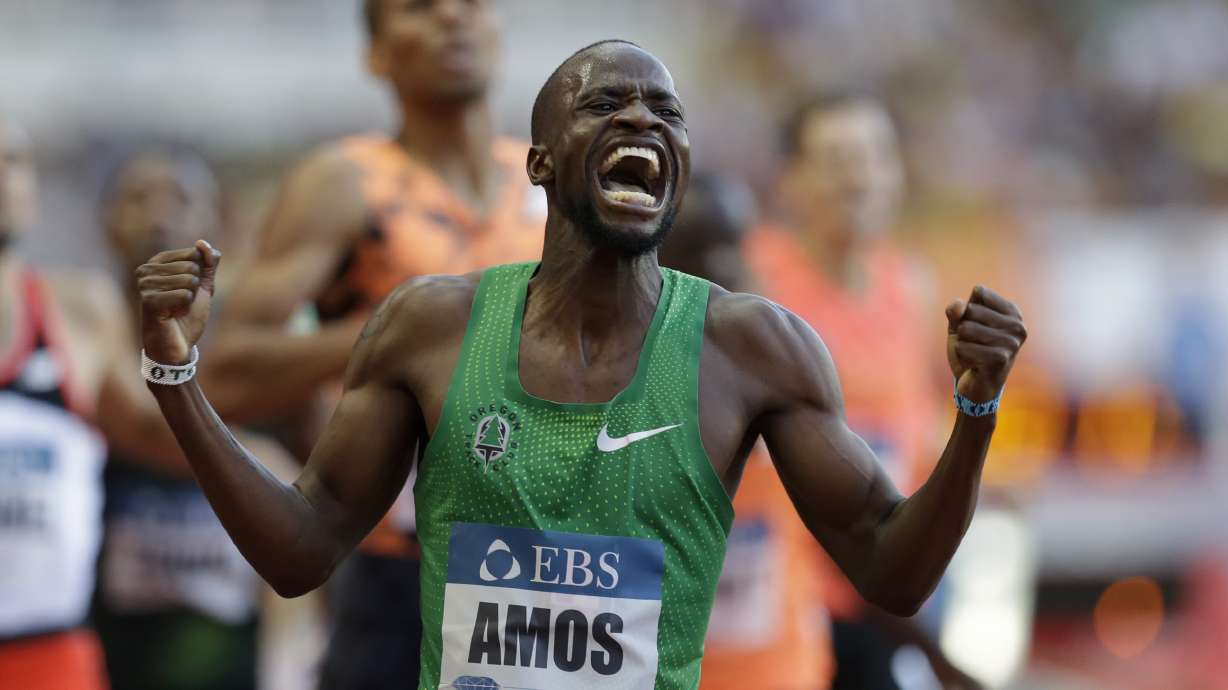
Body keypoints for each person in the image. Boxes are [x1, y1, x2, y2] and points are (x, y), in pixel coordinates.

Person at [136, 40, 1027, 690]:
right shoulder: (431, 326)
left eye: (667, 112)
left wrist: (976, 417)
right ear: (541, 162)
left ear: (678, 166)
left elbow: (893, 571)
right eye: (604, 105)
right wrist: (176, 376)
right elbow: (300, 549)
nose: (641, 117)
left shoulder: (753, 348)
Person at [198, 1, 545, 686]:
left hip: (553, 567)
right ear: (376, 54)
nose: (452, 17)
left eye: (472, 3)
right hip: (400, 575)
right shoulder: (348, 184)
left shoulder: (552, 184)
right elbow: (226, 368)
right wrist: (399, 331)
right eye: (419, 7)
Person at [752, 91, 982, 689]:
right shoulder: (754, 289)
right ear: (790, 181)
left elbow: (917, 425)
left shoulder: (908, 283)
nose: (859, 179)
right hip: (802, 599)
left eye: (875, 156)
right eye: (836, 160)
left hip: (903, 577)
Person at [0, 121, 196, 688]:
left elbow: (168, 436)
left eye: (13, 160)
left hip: (51, 655)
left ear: (33, 190)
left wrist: (290, 478)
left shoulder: (80, 311)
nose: (1, 174)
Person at [92, 147, 289, 690]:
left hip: (236, 662)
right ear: (107, 225)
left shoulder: (255, 348)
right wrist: (262, 464)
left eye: (179, 197)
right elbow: (138, 423)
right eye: (138, 199)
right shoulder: (84, 332)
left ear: (217, 225)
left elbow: (314, 506)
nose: (159, 214)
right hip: (106, 659)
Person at [661, 172, 835, 690]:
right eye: (693, 253)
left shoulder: (791, 365)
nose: (719, 272)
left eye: (733, 247)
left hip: (787, 671)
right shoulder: (610, 387)